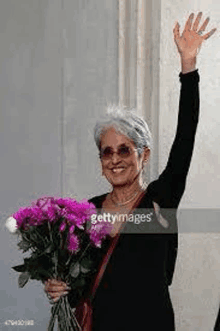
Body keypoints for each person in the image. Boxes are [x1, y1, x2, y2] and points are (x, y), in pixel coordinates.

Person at [44, 12, 216, 330]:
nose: (115, 159)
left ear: (144, 155)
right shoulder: (87, 211)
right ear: (100, 161)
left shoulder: (161, 198)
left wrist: (188, 67)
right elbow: (74, 282)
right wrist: (56, 286)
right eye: (107, 152)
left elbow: (185, 137)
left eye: (125, 149)